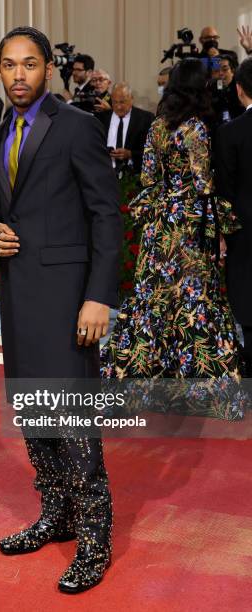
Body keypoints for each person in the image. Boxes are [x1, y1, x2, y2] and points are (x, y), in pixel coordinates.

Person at [0, 26, 122, 593]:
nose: (19, 75)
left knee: (72, 419)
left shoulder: (78, 127)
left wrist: (99, 295)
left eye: (30, 64)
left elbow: (106, 216)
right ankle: (57, 515)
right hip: (18, 295)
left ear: (47, 69)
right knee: (34, 414)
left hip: (68, 299)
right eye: (10, 65)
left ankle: (95, 538)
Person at [101, 58, 245, 420]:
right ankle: (199, 390)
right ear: (199, 87)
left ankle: (140, 385)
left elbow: (148, 178)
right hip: (188, 225)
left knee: (154, 300)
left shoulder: (156, 127)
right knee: (194, 303)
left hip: (158, 224)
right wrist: (219, 230)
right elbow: (203, 184)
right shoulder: (195, 128)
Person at [215, 57, 252, 377]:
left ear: (239, 90)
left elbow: (223, 193)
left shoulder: (230, 133)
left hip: (245, 236)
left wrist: (222, 236)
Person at [100, 82, 154, 176]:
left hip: (134, 176)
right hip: (105, 174)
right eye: (115, 102)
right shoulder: (101, 119)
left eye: (122, 102)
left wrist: (131, 154)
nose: (118, 106)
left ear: (131, 99)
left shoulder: (146, 119)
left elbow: (152, 150)